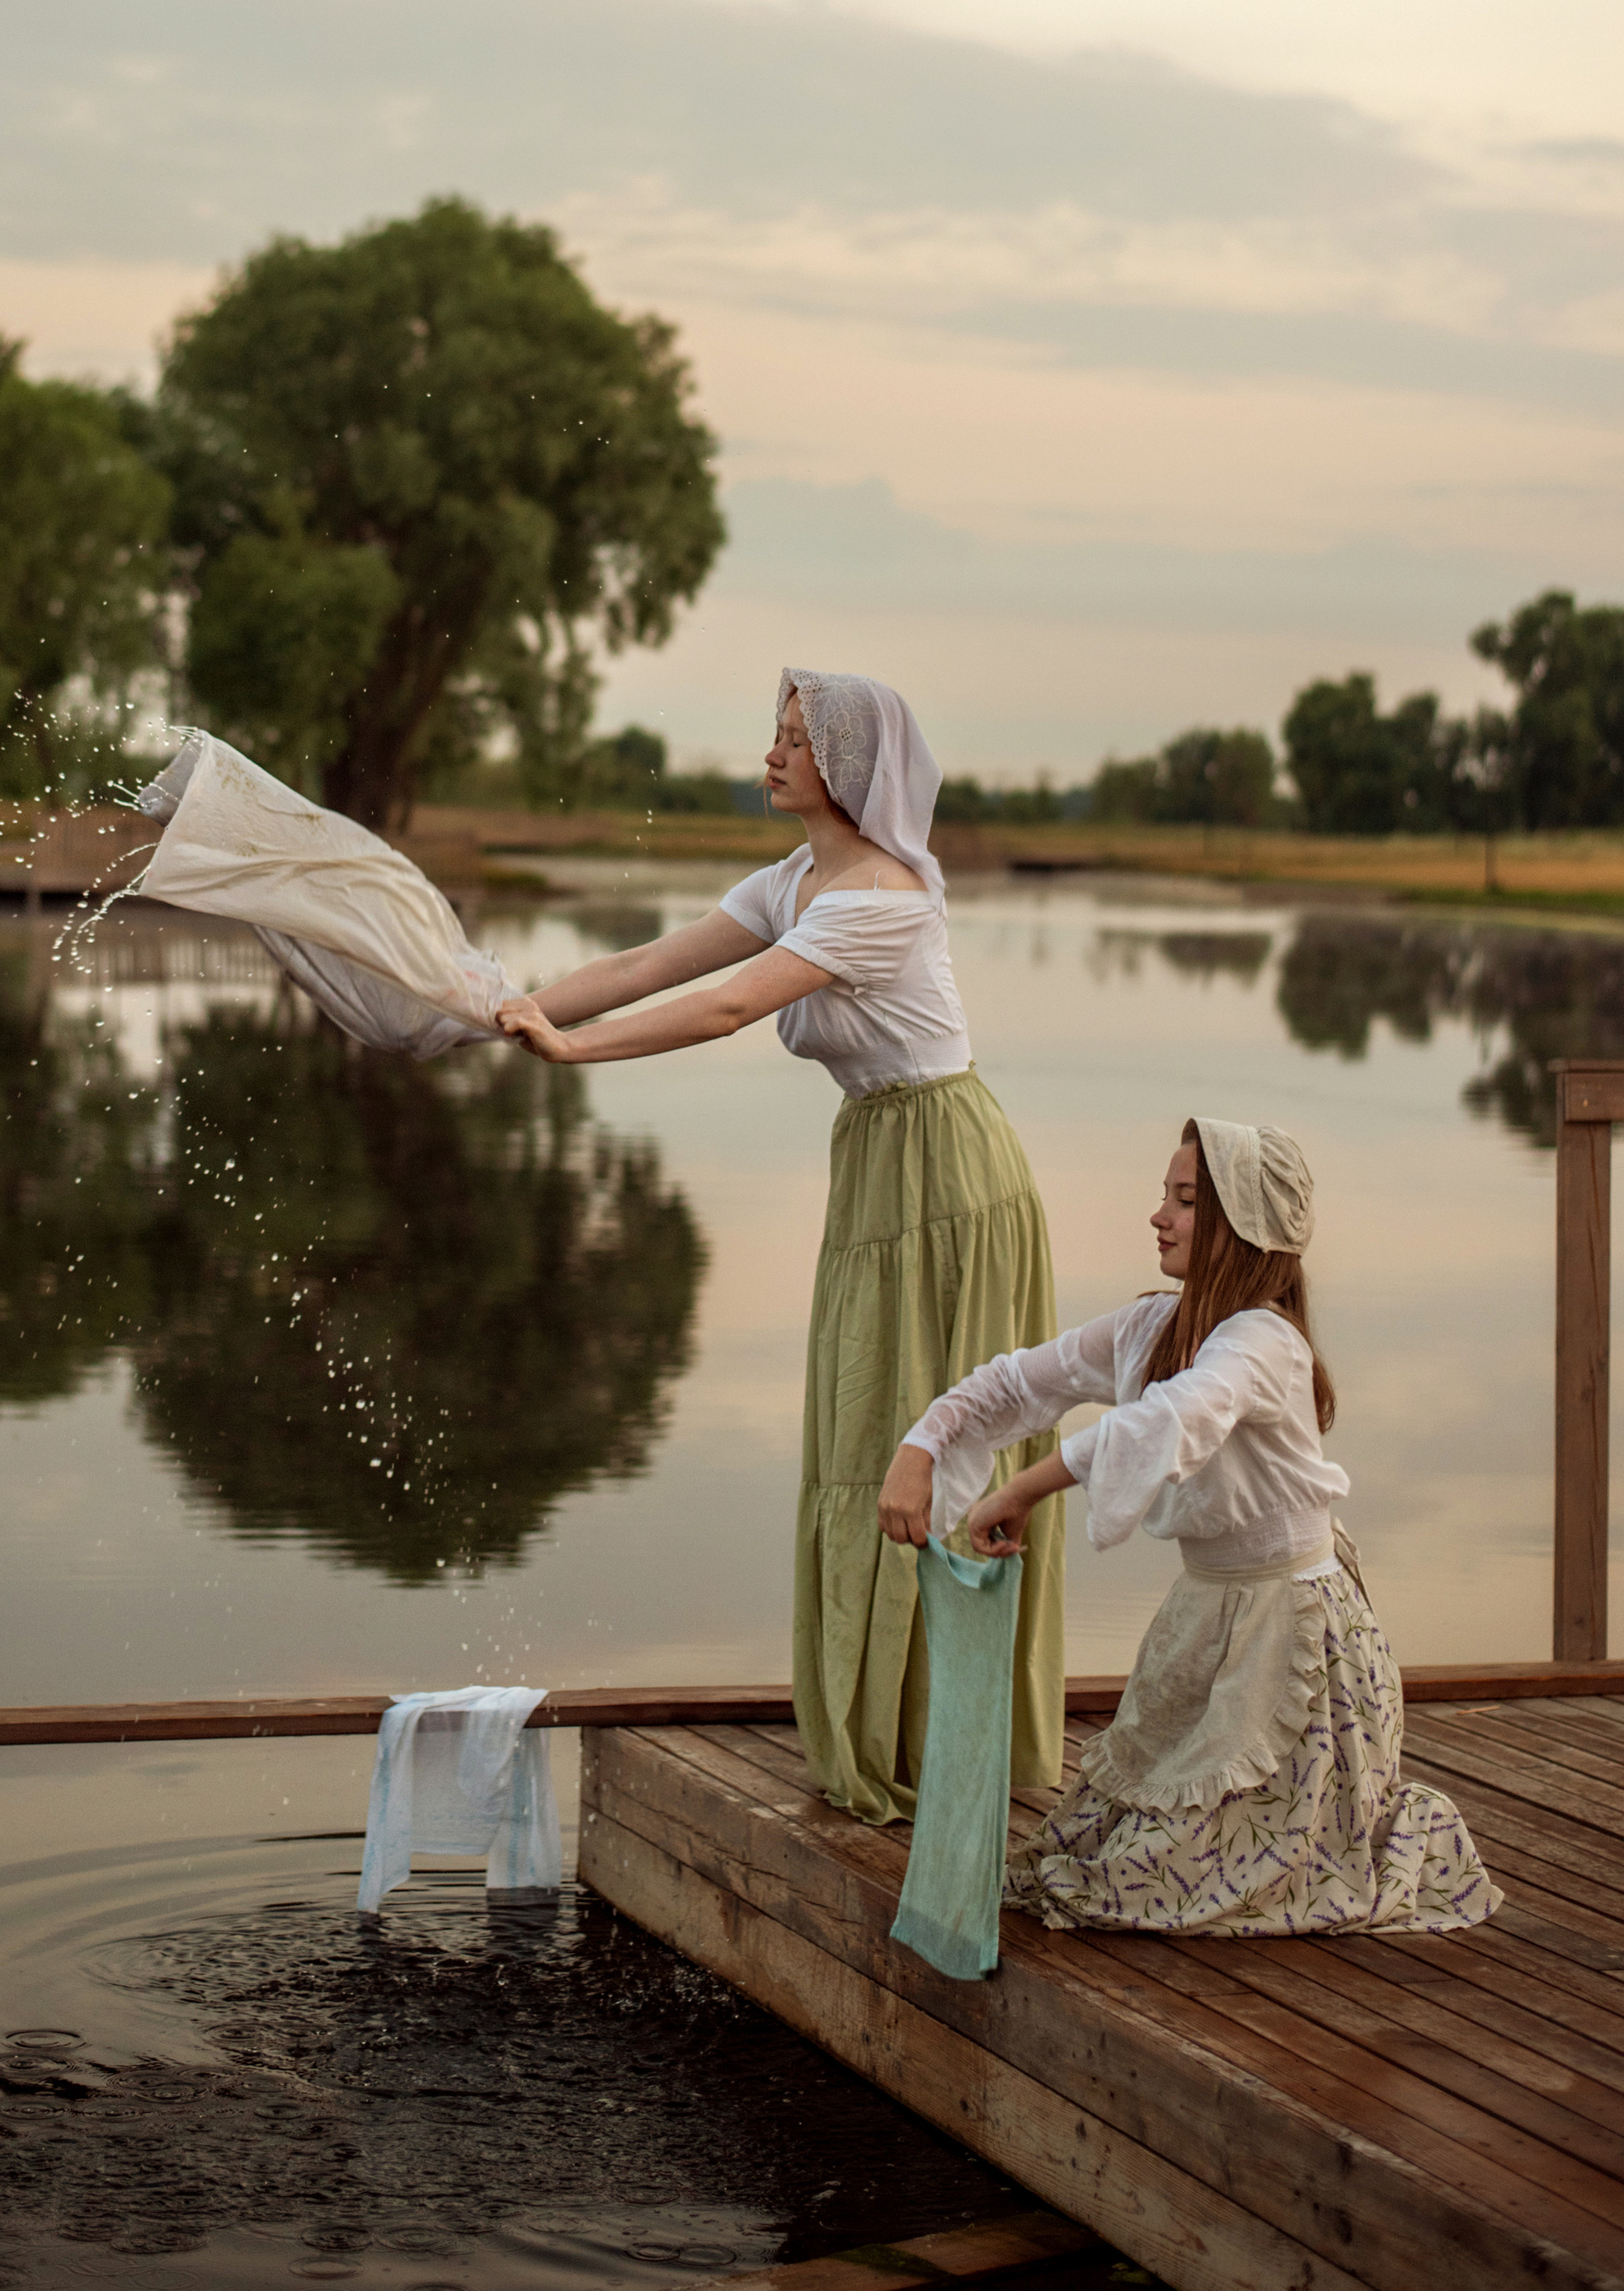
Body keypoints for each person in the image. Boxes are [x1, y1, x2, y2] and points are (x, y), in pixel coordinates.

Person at [494, 670, 1062, 1821]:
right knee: (866, 1429)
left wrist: (570, 1057)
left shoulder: (882, 898)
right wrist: (504, 1005)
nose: (773, 753)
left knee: (927, 1440)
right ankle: (880, 1717)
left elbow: (723, 1009)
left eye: (796, 739)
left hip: (950, 1179)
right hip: (882, 1164)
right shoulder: (799, 878)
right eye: (776, 733)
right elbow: (652, 965)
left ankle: (943, 1738)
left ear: (849, 769)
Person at [878, 1117, 1499, 1936]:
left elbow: (1169, 1418)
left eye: (1183, 1201)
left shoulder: (1263, 1342)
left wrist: (1021, 1489)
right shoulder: (1149, 1328)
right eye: (1163, 1196)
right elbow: (1018, 1381)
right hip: (1205, 1616)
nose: (1157, 1216)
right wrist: (921, 1446)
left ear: (1243, 1228)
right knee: (1098, 1852)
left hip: (1292, 1631)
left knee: (1161, 1880)